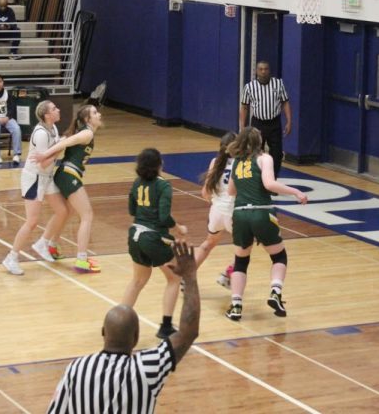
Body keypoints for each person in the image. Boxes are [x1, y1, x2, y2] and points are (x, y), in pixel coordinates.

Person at [47, 241, 200, 414]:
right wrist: (190, 277)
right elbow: (189, 332)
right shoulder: (147, 368)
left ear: (103, 333)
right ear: (135, 338)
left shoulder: (77, 368)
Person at [225, 126, 307, 322]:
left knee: (241, 262)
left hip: (240, 214)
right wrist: (295, 191)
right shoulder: (264, 158)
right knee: (279, 256)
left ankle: (236, 306)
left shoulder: (236, 162)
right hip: (261, 212)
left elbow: (231, 191)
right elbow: (269, 184)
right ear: (259, 142)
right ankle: (275, 292)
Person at [121, 148, 189, 339]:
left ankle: (116, 324)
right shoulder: (163, 186)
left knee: (137, 281)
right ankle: (166, 326)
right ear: (159, 165)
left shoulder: (136, 183)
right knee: (174, 279)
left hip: (135, 235)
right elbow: (164, 216)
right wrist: (178, 228)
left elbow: (131, 210)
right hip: (153, 237)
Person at [30, 104, 103, 274]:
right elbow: (66, 142)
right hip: (69, 175)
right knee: (87, 215)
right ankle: (82, 260)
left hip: (65, 174)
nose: (98, 114)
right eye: (94, 112)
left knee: (67, 212)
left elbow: (65, 140)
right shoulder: (87, 132)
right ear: (87, 119)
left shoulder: (85, 132)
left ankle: (52, 246)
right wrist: (46, 155)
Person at [2, 100, 70, 275]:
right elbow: (44, 162)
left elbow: (49, 157)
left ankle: (43, 242)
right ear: (47, 115)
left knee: (62, 211)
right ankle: (12, 257)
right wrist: (60, 147)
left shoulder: (53, 128)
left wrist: (59, 145)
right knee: (32, 221)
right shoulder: (40, 133)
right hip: (34, 178)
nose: (58, 109)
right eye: (54, 108)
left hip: (47, 177)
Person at [195, 132, 237, 289]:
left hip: (216, 213)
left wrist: (216, 202)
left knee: (208, 244)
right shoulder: (241, 163)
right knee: (244, 249)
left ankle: (187, 278)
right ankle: (227, 275)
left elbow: (205, 193)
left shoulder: (215, 161)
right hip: (233, 213)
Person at [239, 60, 292, 178]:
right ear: (256, 71)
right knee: (256, 153)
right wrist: (242, 126)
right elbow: (244, 107)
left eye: (266, 69)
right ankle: (257, 178)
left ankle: (273, 178)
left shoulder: (278, 84)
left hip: (274, 123)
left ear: (270, 71)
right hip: (258, 123)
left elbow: (285, 102)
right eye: (261, 69)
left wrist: (289, 121)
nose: (263, 72)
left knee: (277, 153)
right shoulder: (249, 87)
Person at [0, 74, 22, 164]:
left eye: (0, 81)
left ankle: (16, 154)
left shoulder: (8, 94)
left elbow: (12, 108)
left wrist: (8, 117)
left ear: (3, 83)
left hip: (6, 118)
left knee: (16, 128)